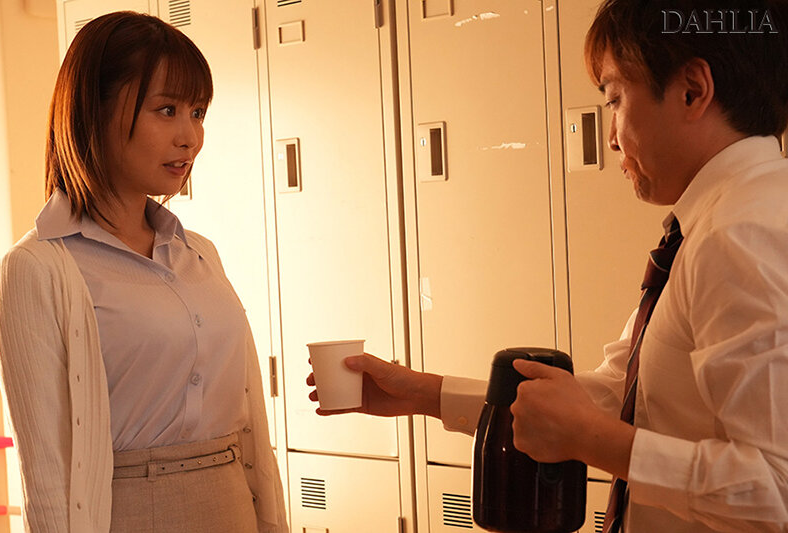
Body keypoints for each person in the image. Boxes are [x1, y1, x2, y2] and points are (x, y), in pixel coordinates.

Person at [309, 0, 788, 531]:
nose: (610, 136)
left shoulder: (739, 235)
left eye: (614, 98)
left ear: (692, 91)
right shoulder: (723, 221)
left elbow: (776, 492)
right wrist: (425, 394)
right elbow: (624, 396)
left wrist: (589, 439)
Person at [0, 12, 287, 533]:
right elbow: (48, 479)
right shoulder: (36, 269)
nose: (190, 137)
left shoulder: (200, 254)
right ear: (94, 110)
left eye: (198, 112)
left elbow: (251, 436)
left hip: (232, 507)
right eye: (166, 110)